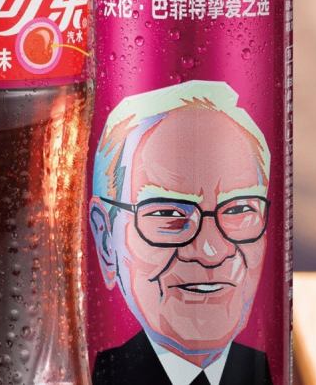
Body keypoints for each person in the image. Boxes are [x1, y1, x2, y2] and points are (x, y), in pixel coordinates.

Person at [89, 81, 273, 385]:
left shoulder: (266, 369)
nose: (211, 251)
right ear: (107, 240)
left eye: (240, 210)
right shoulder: (97, 373)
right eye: (168, 214)